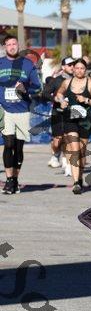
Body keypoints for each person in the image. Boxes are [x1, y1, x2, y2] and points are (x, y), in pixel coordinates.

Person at [0, 35, 42, 194]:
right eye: (8, 44)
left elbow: (37, 87)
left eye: (14, 43)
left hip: (23, 110)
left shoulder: (28, 64)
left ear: (18, 45)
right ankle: (9, 180)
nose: (12, 46)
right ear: (5, 47)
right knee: (8, 144)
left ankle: (15, 179)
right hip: (5, 110)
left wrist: (25, 89)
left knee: (18, 147)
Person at [54, 58, 91, 194]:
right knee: (74, 150)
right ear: (73, 69)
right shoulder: (67, 82)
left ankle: (80, 178)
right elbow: (59, 94)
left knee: (81, 152)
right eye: (77, 68)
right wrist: (61, 101)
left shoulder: (90, 84)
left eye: (82, 68)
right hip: (70, 120)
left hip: (85, 121)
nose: (79, 71)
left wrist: (86, 100)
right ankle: (75, 182)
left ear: (85, 70)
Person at [42, 56, 74, 169]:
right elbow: (45, 93)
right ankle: (55, 155)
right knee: (58, 140)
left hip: (72, 113)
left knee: (68, 138)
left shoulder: (78, 80)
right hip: (58, 113)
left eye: (73, 65)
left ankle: (66, 161)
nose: (72, 67)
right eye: (69, 65)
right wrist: (54, 99)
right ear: (63, 67)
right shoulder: (57, 80)